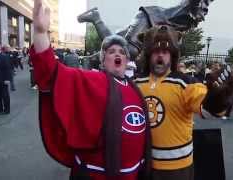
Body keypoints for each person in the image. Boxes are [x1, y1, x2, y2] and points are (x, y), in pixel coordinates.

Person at [31, 0, 151, 179]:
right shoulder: (93, 79)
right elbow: (50, 71)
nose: (117, 54)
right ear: (103, 61)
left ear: (126, 61)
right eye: (111, 52)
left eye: (121, 51)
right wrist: (40, 33)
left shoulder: (136, 88)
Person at [134, 25, 233, 180]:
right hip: (142, 164)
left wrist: (217, 98)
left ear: (173, 55)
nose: (160, 55)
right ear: (148, 55)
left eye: (165, 51)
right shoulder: (136, 83)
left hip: (177, 168)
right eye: (156, 51)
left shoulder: (186, 83)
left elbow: (207, 111)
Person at [78, 0, 214, 59]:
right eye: (204, 8)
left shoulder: (187, 23)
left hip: (153, 25)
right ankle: (96, 19)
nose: (204, 14)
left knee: (117, 42)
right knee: (129, 50)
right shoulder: (191, 6)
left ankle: (89, 58)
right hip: (149, 18)